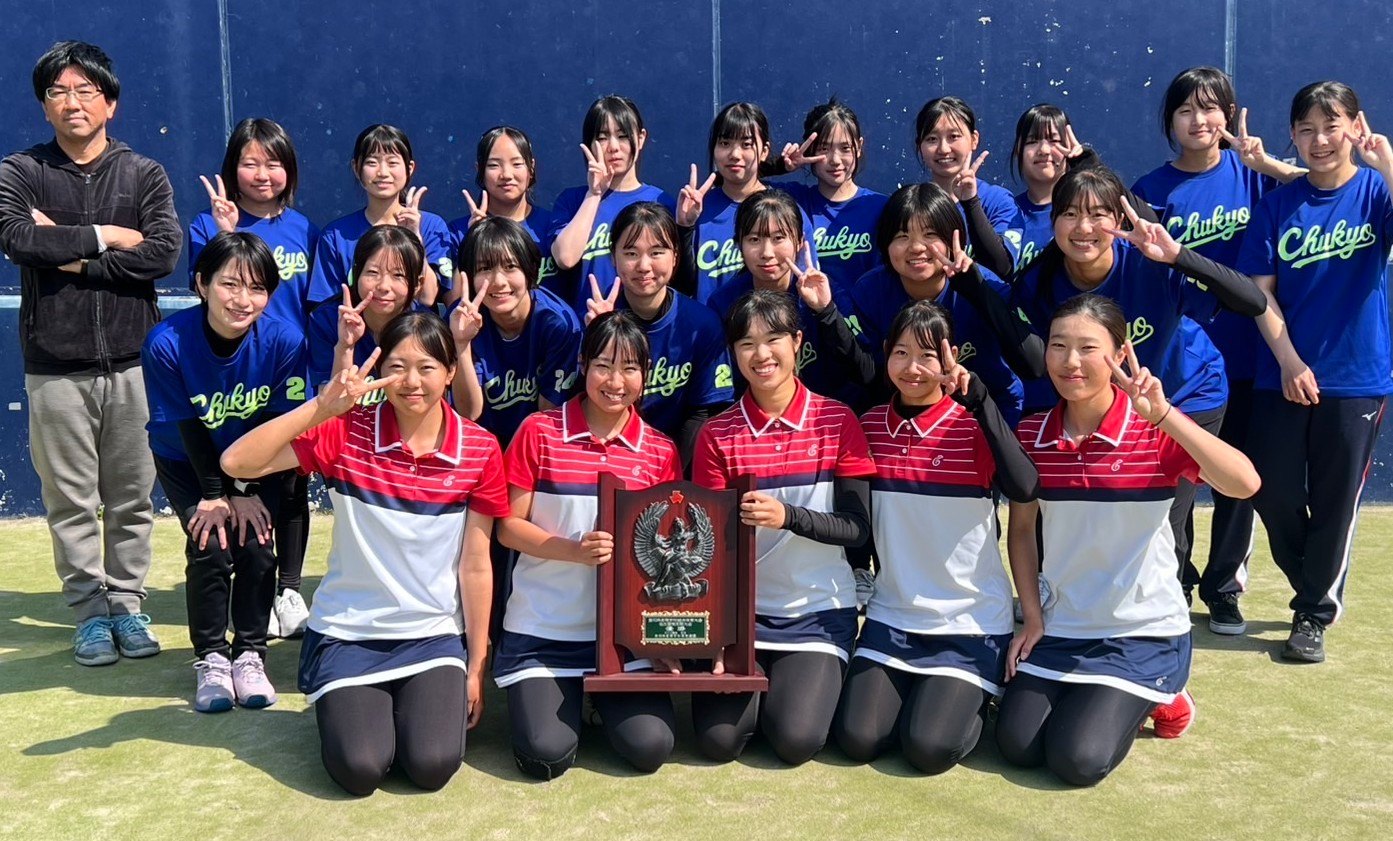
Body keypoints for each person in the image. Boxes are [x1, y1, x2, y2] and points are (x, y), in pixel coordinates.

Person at [221, 312, 506, 796]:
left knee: (432, 765)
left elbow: (476, 565)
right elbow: (237, 462)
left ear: (450, 372)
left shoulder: (479, 449)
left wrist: (476, 665)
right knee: (360, 769)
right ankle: (343, 701)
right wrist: (321, 407)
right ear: (380, 371)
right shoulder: (345, 432)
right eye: (397, 367)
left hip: (433, 634)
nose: (411, 382)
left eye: (427, 368)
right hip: (349, 632)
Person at [999, 294, 1260, 786]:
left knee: (1076, 760)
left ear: (1120, 355)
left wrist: (1164, 416)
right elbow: (1022, 531)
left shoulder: (1153, 430)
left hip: (1142, 632)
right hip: (1063, 626)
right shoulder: (1031, 435)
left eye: (1087, 348)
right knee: (1017, 745)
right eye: (1058, 346)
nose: (1070, 362)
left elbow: (1244, 483)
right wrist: (1032, 617)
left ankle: (1168, 695)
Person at [0, 41, 181, 666]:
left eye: (85, 91)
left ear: (110, 103)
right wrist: (106, 237)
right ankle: (89, 615)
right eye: (58, 92)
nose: (72, 102)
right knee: (70, 503)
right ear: (44, 105)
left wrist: (72, 255)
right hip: (54, 365)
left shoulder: (144, 174)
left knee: (132, 498)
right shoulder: (20, 171)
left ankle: (127, 606)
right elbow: (17, 239)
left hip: (134, 362)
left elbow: (161, 254)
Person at [1132, 66, 1304, 634]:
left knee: (1237, 482)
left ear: (1228, 114)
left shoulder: (1255, 177)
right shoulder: (1151, 190)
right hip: (1182, 366)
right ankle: (1177, 578)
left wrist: (1269, 164)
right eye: (1186, 110)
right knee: (1178, 481)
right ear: (1170, 121)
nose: (1199, 120)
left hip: (1251, 355)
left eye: (1209, 108)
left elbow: (1327, 186)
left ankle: (1224, 586)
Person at [832, 300, 1039, 773]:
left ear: (950, 359)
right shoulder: (869, 427)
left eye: (927, 356)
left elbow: (1025, 486)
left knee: (927, 748)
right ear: (886, 354)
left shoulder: (973, 425)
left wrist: (981, 400)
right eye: (901, 353)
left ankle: (984, 697)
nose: (913, 368)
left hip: (969, 621)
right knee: (859, 739)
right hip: (892, 615)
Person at [1236, 82, 1393, 663]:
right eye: (1307, 129)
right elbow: (1261, 294)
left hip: (1357, 379)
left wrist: (1388, 164)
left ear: (1356, 126)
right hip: (1281, 374)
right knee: (1270, 489)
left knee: (1334, 501)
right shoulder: (1278, 204)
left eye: (1332, 126)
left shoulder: (1377, 193)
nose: (1320, 139)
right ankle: (1313, 579)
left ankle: (1312, 613)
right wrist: (1289, 361)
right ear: (1294, 135)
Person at [690, 290, 875, 766]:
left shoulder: (837, 420)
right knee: (718, 742)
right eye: (746, 344)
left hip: (818, 611)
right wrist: (719, 631)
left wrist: (788, 516)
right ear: (733, 354)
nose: (761, 354)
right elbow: (709, 547)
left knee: (795, 739)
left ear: (797, 342)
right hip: (744, 616)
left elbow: (857, 529)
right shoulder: (717, 434)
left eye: (773, 339)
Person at [494, 311, 682, 780]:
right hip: (544, 629)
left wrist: (659, 636)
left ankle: (596, 700)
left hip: (623, 639)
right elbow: (508, 528)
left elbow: (667, 554)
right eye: (603, 366)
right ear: (582, 365)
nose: (615, 382)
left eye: (630, 368)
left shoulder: (660, 450)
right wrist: (574, 551)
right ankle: (569, 700)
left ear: (646, 373)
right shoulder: (538, 431)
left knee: (651, 746)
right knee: (547, 755)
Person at [141, 232, 304, 711]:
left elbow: (276, 425)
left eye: (257, 288)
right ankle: (211, 658)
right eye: (230, 284)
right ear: (201, 283)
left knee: (256, 544)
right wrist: (217, 494)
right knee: (211, 544)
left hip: (257, 464)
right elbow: (189, 427)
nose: (243, 299)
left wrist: (244, 489)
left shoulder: (285, 341)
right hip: (186, 461)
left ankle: (250, 654)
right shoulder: (166, 342)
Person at [189, 117, 318, 638]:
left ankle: (289, 589)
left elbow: (312, 308)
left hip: (290, 371)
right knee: (239, 476)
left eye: (274, 163)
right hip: (234, 376)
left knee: (291, 482)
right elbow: (208, 289)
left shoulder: (305, 229)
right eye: (250, 163)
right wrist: (227, 233)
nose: (262, 174)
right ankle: (249, 590)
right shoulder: (208, 225)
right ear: (232, 168)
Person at [852, 183, 1044, 425]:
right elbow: (871, 376)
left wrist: (976, 290)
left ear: (955, 237)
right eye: (902, 236)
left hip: (988, 413)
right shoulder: (870, 291)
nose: (916, 247)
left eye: (930, 234)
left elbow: (1034, 365)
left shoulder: (986, 283)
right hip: (911, 419)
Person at [579, 200, 733, 464]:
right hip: (606, 453)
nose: (644, 266)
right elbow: (581, 400)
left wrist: (669, 470)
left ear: (675, 256)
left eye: (656, 252)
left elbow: (705, 411)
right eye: (631, 253)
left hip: (675, 461)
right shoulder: (596, 317)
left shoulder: (702, 324)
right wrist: (601, 336)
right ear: (613, 257)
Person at [705, 189, 873, 411]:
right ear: (739, 244)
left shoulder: (826, 291)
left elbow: (865, 372)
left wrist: (826, 312)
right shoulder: (724, 303)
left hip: (825, 419)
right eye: (754, 239)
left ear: (800, 242)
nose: (767, 252)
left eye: (778, 238)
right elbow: (718, 390)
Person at [449, 216, 581, 449]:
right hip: (478, 447)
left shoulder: (559, 324)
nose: (499, 281)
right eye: (484, 268)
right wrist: (461, 345)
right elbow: (469, 413)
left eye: (510, 267)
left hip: (535, 447)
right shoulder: (459, 320)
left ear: (529, 269)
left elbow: (547, 416)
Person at [677, 102, 818, 305]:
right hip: (711, 323)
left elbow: (808, 287)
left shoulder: (787, 211)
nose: (735, 154)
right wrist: (684, 227)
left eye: (746, 144)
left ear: (764, 151)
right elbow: (681, 287)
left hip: (775, 323)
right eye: (725, 143)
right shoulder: (695, 210)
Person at [549, 95, 675, 316]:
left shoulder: (660, 201)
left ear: (641, 138)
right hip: (588, 327)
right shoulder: (572, 200)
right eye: (602, 137)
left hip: (642, 328)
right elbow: (565, 258)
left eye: (623, 136)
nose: (613, 147)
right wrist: (594, 194)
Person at [306, 124, 449, 309]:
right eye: (372, 162)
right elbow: (325, 307)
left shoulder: (431, 226)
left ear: (410, 168)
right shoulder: (335, 235)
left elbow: (428, 297)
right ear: (356, 168)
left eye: (392, 163)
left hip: (414, 328)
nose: (382, 172)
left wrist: (415, 238)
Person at [775, 98, 888, 294]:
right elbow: (741, 183)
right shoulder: (792, 201)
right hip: (808, 311)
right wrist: (781, 166)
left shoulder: (880, 207)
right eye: (824, 149)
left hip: (867, 312)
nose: (835, 160)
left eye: (845, 148)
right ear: (809, 150)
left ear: (859, 147)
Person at [306, 226, 432, 399]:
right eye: (373, 272)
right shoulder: (328, 320)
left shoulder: (426, 327)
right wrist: (345, 347)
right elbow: (329, 405)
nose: (384, 286)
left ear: (418, 284)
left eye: (398, 275)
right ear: (356, 275)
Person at [914, 96, 1023, 278]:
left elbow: (1002, 268)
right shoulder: (912, 204)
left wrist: (971, 202)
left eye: (954, 137)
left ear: (974, 139)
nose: (944, 148)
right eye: (932, 139)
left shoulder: (998, 201)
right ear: (920, 146)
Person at [449, 126, 557, 296]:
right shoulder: (459, 232)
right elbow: (454, 301)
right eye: (494, 165)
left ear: (531, 167)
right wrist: (473, 239)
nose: (506, 174)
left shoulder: (554, 226)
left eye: (517, 164)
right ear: (480, 170)